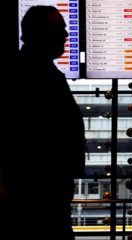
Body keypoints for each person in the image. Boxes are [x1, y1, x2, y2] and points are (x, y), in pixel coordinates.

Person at [0, 5, 86, 240]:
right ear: (39, 31)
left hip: (38, 193)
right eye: (59, 28)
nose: (66, 35)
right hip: (39, 196)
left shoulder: (26, 69)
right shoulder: (31, 74)